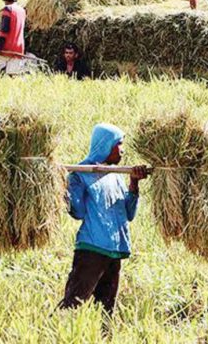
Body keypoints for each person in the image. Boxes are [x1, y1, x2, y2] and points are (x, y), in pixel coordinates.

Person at [56, 123, 149, 316]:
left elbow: (129, 214)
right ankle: (50, 334)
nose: (122, 150)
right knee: (73, 303)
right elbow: (78, 212)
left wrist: (134, 183)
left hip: (114, 251)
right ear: (106, 145)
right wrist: (63, 186)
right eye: (119, 144)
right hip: (92, 248)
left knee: (106, 309)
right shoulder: (81, 173)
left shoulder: (116, 175)